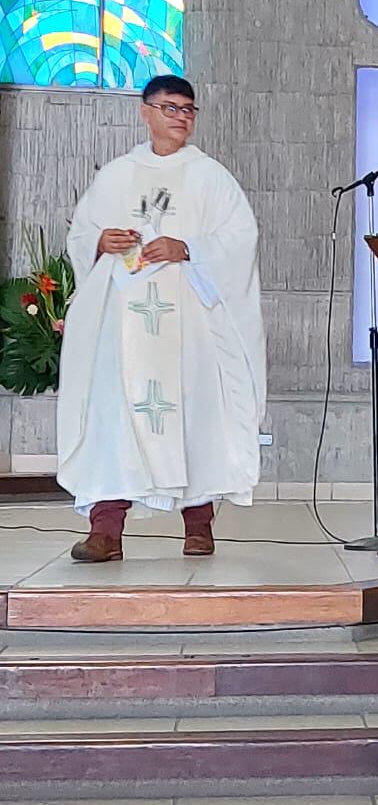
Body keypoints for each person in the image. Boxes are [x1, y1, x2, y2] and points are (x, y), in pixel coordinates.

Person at [57, 75, 266, 561]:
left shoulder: (210, 176)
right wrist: (98, 243)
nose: (180, 117)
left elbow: (241, 239)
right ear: (145, 111)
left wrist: (187, 247)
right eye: (170, 107)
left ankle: (198, 526)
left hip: (189, 324)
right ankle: (105, 530)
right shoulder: (116, 174)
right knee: (115, 420)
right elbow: (83, 233)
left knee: (195, 414)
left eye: (189, 109)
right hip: (123, 328)